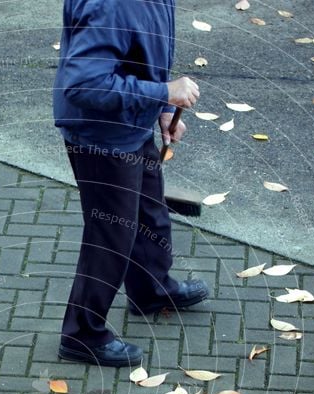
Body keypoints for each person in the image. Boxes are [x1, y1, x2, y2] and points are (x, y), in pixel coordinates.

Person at [53, 0, 209, 367]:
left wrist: (164, 109)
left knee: (148, 211)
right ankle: (81, 334)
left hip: (130, 121)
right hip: (101, 135)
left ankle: (151, 289)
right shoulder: (112, 5)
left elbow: (139, 52)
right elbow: (84, 84)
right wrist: (164, 93)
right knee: (111, 236)